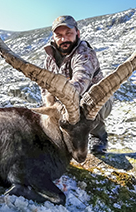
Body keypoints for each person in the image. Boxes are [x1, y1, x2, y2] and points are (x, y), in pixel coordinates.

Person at [41, 15, 113, 154]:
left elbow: (81, 81)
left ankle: (98, 137)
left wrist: (60, 102)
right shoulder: (50, 59)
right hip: (63, 100)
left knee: (81, 103)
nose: (64, 39)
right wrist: (49, 105)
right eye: (59, 35)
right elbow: (45, 87)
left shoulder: (84, 53)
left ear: (77, 33)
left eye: (69, 34)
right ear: (53, 37)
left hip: (98, 101)